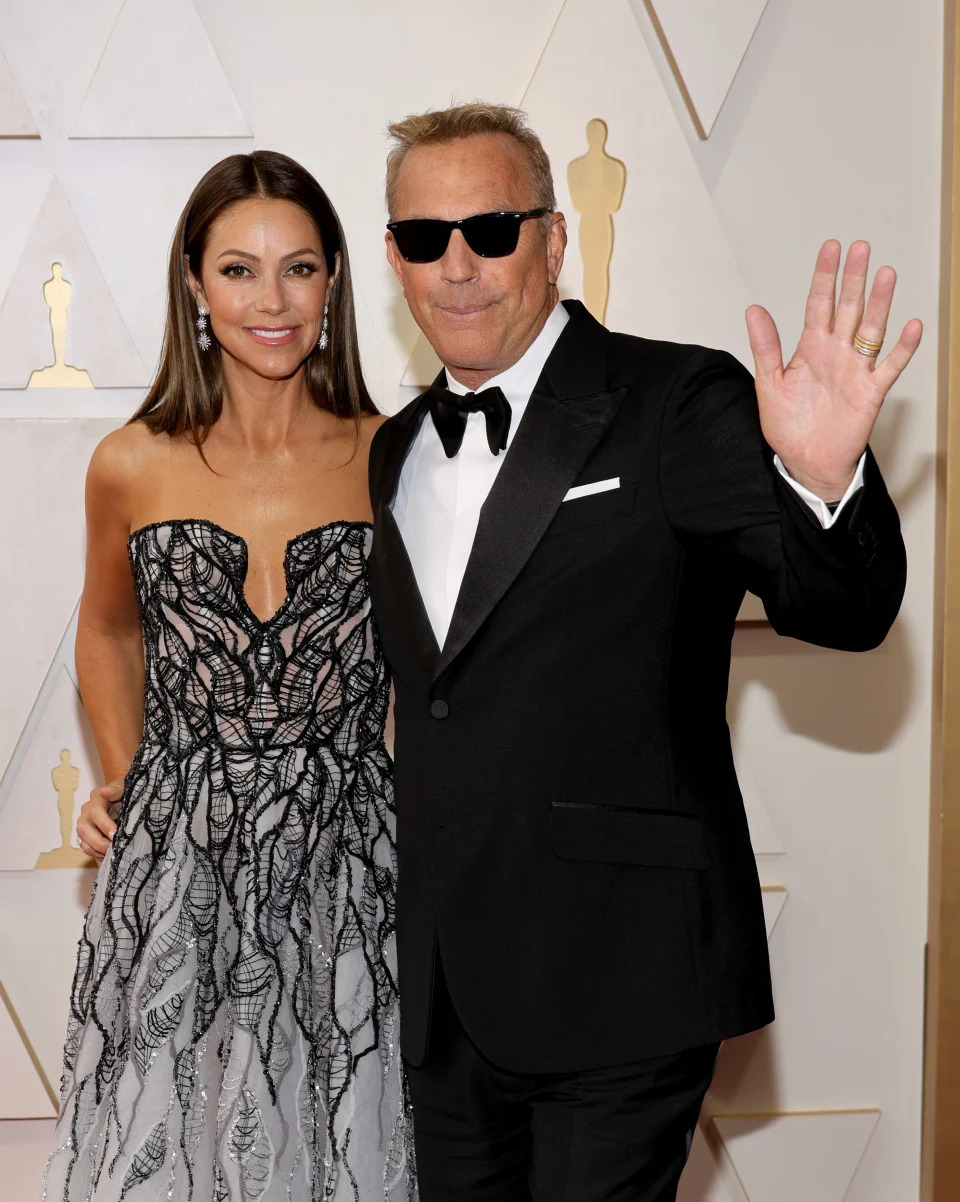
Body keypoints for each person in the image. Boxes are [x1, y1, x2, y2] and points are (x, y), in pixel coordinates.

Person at [368, 102, 919, 1201]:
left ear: (555, 237)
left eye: (492, 228)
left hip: (617, 977)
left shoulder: (674, 402)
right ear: (395, 260)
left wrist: (821, 482)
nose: (460, 265)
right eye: (426, 239)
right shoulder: (393, 450)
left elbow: (842, 606)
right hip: (445, 995)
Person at [46, 151, 416, 1202]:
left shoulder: (395, 459)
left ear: (336, 282)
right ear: (196, 285)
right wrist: (124, 777)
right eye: (241, 269)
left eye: (299, 268)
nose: (272, 299)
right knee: (180, 1143)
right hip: (179, 859)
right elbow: (109, 629)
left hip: (352, 855)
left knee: (346, 1135)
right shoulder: (132, 461)